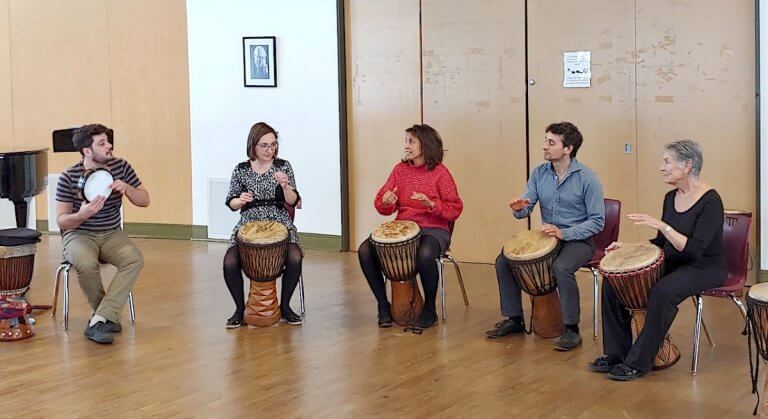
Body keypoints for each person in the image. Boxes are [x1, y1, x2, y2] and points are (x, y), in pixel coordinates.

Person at [591, 139, 726, 380]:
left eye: (667, 162)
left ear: (686, 166)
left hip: (705, 266)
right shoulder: (670, 197)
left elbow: (694, 250)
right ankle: (617, 354)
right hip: (674, 259)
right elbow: (662, 242)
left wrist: (663, 225)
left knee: (663, 292)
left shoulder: (711, 202)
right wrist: (631, 247)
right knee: (614, 282)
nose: (661, 168)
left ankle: (638, 362)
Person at [485, 122, 605, 351]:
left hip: (579, 240)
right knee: (503, 261)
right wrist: (519, 208)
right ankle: (514, 319)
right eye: (545, 141)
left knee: (562, 267)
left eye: (551, 142)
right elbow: (526, 208)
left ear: (568, 149)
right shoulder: (539, 173)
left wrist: (564, 232)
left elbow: (597, 222)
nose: (544, 146)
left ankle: (572, 329)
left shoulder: (588, 178)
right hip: (548, 238)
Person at [358, 124, 463, 330]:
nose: (406, 146)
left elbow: (455, 209)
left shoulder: (440, 173)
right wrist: (386, 200)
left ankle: (429, 310)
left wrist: (432, 204)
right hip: (403, 228)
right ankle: (383, 305)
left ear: (426, 145)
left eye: (411, 142)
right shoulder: (400, 170)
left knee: (425, 254)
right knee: (365, 250)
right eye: (406, 141)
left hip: (434, 229)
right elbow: (381, 204)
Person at [55, 123, 150, 344]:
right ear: (87, 151)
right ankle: (106, 316)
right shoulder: (68, 176)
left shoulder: (121, 166)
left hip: (111, 233)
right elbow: (62, 220)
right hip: (78, 234)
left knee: (134, 259)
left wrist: (127, 188)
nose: (109, 146)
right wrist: (82, 214)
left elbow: (145, 200)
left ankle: (99, 319)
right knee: (86, 263)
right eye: (102, 143)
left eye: (108, 141)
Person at [223, 122, 302, 328]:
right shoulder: (241, 169)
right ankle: (239, 310)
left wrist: (285, 186)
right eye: (264, 145)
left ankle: (285, 307)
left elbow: (294, 200)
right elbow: (231, 202)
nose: (270, 150)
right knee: (229, 262)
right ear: (253, 146)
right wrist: (240, 200)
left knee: (295, 257)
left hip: (279, 221)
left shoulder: (283, 166)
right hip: (249, 223)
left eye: (273, 145)